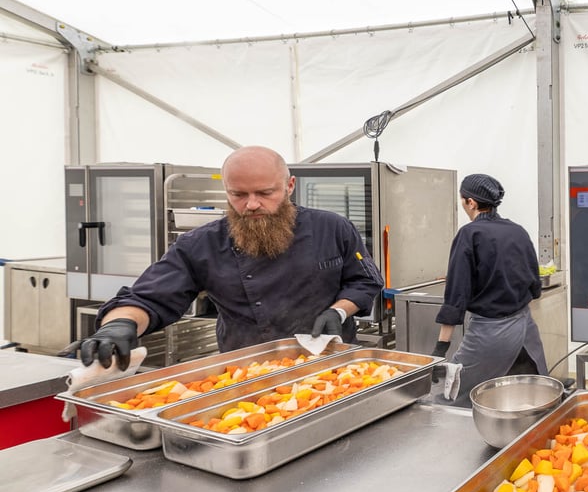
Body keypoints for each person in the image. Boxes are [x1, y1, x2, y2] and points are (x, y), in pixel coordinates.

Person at [73, 146, 384, 370]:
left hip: (332, 363)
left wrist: (339, 312)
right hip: (246, 370)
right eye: (238, 194)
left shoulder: (332, 227)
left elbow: (364, 280)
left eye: (265, 193)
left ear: (290, 186)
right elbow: (149, 298)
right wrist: (117, 326)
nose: (251, 205)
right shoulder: (201, 244)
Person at [432, 173, 548, 406]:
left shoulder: (470, 234)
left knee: (452, 397)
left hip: (491, 333)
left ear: (471, 203)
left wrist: (440, 349)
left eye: (462, 201)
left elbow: (456, 295)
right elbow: (534, 284)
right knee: (531, 394)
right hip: (525, 327)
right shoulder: (517, 230)